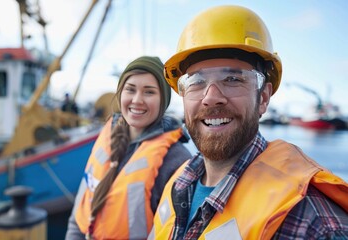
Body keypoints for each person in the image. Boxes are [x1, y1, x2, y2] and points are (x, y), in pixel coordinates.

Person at [149, 5, 348, 239]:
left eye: (233, 79)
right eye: (197, 81)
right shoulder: (178, 184)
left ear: (263, 98)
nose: (211, 97)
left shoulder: (313, 223)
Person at [65, 56, 192, 239]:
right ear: (120, 94)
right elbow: (78, 217)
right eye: (130, 90)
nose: (137, 100)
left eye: (149, 92)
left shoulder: (176, 161)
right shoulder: (106, 137)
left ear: (162, 101)